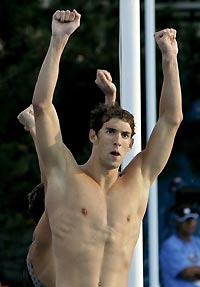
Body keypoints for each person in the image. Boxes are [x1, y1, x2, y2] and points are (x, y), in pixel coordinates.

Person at [32, 8, 182, 287]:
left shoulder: (138, 179)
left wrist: (170, 59)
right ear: (93, 136)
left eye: (125, 136)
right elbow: (42, 108)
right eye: (111, 132)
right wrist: (58, 41)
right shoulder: (65, 176)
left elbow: (171, 120)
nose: (118, 140)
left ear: (131, 144)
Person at [17, 69, 117, 287]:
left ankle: (34, 128)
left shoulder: (65, 241)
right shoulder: (48, 242)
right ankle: (34, 128)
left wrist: (110, 101)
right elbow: (51, 180)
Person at [160, 204, 200, 287]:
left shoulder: (197, 242)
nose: (190, 223)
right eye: (186, 220)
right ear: (176, 222)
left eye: (192, 219)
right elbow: (188, 273)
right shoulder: (170, 245)